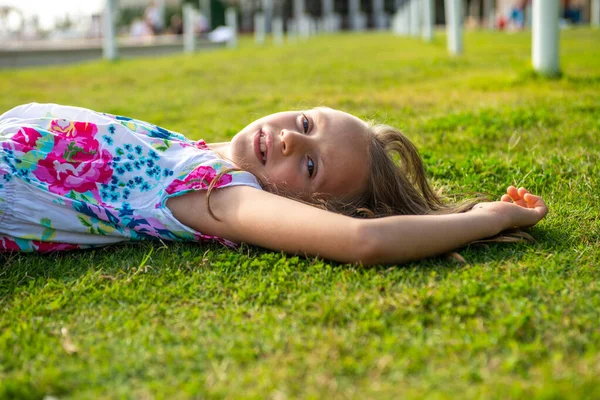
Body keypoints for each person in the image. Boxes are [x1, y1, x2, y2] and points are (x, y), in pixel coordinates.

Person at [0, 103, 547, 264]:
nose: (290, 140)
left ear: (307, 210)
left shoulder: (224, 198)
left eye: (310, 167)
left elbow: (366, 242)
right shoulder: (198, 153)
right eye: (306, 124)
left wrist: (486, 219)